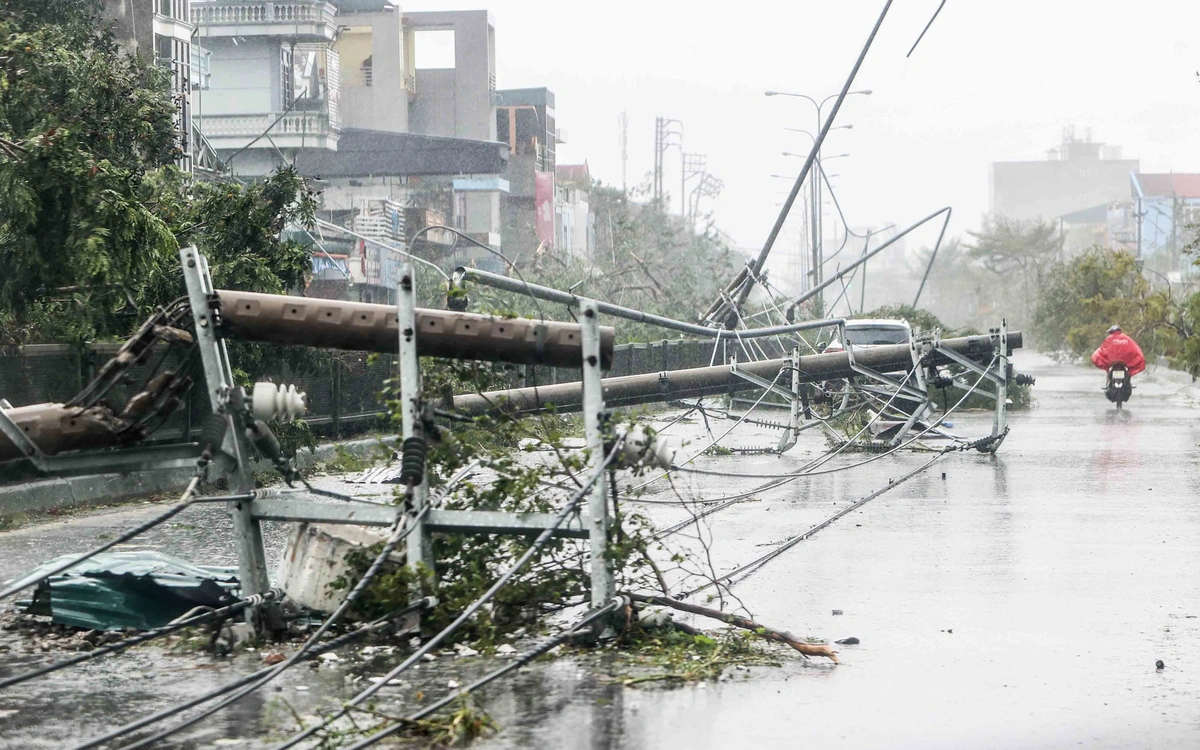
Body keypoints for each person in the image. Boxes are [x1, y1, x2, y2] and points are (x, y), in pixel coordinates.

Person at [1091, 325, 1145, 402]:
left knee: (1109, 370)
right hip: (1123, 364)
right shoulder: (1126, 338)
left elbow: (1103, 349)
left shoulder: (1109, 339)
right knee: (1126, 373)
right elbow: (1135, 349)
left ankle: (1109, 384)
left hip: (1114, 364)